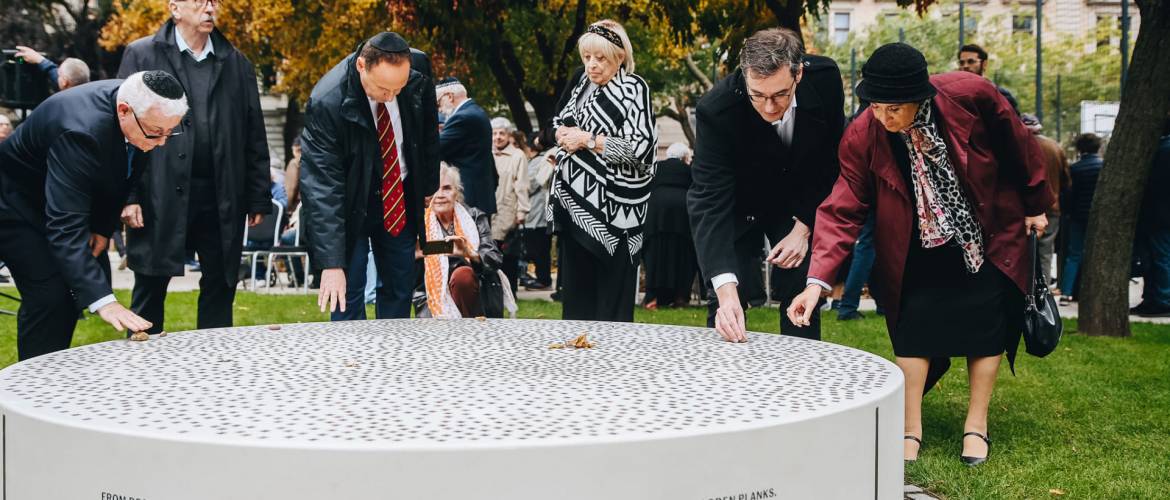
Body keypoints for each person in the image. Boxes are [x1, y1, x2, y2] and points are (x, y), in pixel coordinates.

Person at [788, 43, 1052, 466]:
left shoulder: (973, 96)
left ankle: (976, 426)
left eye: (893, 109)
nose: (883, 117)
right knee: (913, 331)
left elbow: (1019, 146)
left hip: (983, 236)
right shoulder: (863, 132)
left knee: (985, 328)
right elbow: (842, 206)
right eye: (875, 106)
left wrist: (1036, 203)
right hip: (912, 244)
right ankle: (910, 429)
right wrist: (817, 281)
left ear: (919, 98)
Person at [0, 71, 187, 359]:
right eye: (156, 133)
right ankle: (31, 385)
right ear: (124, 111)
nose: (162, 142)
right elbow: (64, 227)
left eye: (170, 132)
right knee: (50, 296)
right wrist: (105, 302)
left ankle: (55, 369)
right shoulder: (81, 131)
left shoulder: (139, 112)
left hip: (59, 200)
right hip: (15, 205)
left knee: (74, 291)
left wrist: (101, 227)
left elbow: (122, 176)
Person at [117, 0, 272, 334]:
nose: (210, 8)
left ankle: (213, 370)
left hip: (220, 195)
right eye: (201, 1)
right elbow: (121, 129)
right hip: (157, 191)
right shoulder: (142, 54)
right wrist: (128, 195)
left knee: (220, 285)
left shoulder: (236, 62)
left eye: (214, 1)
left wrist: (257, 196)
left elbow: (254, 134)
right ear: (175, 8)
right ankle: (139, 366)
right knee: (150, 285)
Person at [688, 27, 845, 342]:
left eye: (780, 95)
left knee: (799, 283)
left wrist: (803, 228)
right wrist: (725, 291)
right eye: (757, 95)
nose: (770, 107)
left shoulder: (825, 79)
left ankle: (800, 376)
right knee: (727, 294)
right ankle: (721, 381)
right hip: (738, 203)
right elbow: (709, 198)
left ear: (798, 74)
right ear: (745, 76)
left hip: (797, 199)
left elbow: (830, 160)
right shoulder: (715, 110)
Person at [300, 32, 440, 318]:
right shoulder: (327, 100)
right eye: (383, 89)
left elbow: (427, 132)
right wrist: (331, 263)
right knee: (347, 290)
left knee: (399, 286)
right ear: (362, 66)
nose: (391, 97)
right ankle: (351, 359)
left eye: (398, 88)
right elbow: (321, 186)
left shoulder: (418, 71)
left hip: (397, 192)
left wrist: (428, 184)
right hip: (350, 199)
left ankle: (392, 358)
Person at [550, 19, 656, 321]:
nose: (592, 66)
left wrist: (589, 140)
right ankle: (577, 362)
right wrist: (561, 134)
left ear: (619, 57)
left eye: (600, 58)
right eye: (586, 58)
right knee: (576, 302)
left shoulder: (634, 89)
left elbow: (641, 150)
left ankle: (614, 364)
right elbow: (560, 120)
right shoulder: (582, 86)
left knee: (611, 306)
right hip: (574, 208)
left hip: (614, 213)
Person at [413, 165, 503, 317]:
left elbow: (494, 258)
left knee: (463, 276)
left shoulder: (474, 216)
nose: (440, 195)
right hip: (430, 297)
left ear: (457, 192)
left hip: (475, 292)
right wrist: (412, 257)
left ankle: (469, 330)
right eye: (435, 189)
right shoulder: (418, 222)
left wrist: (471, 253)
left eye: (447, 188)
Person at [642, 143, 696, 308]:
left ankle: (653, 298)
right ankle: (680, 297)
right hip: (683, 211)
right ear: (684, 158)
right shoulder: (690, 170)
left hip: (657, 212)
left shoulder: (656, 167)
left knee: (655, 254)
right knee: (684, 255)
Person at [1021, 113, 1069, 289]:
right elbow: (1066, 179)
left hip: (1024, 207)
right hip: (1051, 205)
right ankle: (1043, 290)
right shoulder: (1054, 147)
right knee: (1045, 252)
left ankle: (1025, 290)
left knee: (1022, 251)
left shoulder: (1018, 145)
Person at [436, 78, 496, 214]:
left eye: (439, 102)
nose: (439, 108)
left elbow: (436, 149)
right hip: (478, 194)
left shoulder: (463, 117)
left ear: (449, 96)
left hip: (468, 196)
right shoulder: (475, 111)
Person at [1132, 118, 1170, 317]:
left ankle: (1161, 299)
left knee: (1158, 258)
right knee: (1158, 258)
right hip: (1160, 214)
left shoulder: (1160, 150)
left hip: (1158, 214)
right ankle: (1157, 298)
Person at [1060, 133, 1104, 304]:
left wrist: (1069, 212)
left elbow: (1069, 194)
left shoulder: (1076, 169)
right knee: (1096, 254)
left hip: (1078, 216)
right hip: (1097, 218)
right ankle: (1094, 292)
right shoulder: (1103, 166)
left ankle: (1067, 292)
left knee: (1074, 254)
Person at [490, 116, 529, 294]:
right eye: (495, 133)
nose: (498, 137)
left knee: (507, 256)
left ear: (508, 135)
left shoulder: (518, 156)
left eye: (502, 133)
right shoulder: (487, 152)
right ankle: (493, 291)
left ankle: (510, 292)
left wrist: (522, 211)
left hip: (507, 211)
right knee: (488, 253)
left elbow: (521, 185)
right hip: (488, 210)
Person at [523, 134, 557, 290]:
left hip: (537, 214)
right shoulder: (545, 159)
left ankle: (543, 281)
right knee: (539, 249)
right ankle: (542, 279)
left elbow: (529, 185)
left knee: (539, 249)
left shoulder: (539, 161)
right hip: (540, 213)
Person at [957, 44, 1020, 115]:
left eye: (971, 62)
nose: (965, 66)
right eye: (961, 63)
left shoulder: (1001, 95)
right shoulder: (954, 96)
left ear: (984, 64)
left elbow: (1014, 123)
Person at [13, 46, 90, 91]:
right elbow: (53, 72)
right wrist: (40, 60)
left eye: (59, 74)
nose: (56, 74)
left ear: (64, 82)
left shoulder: (63, 105)